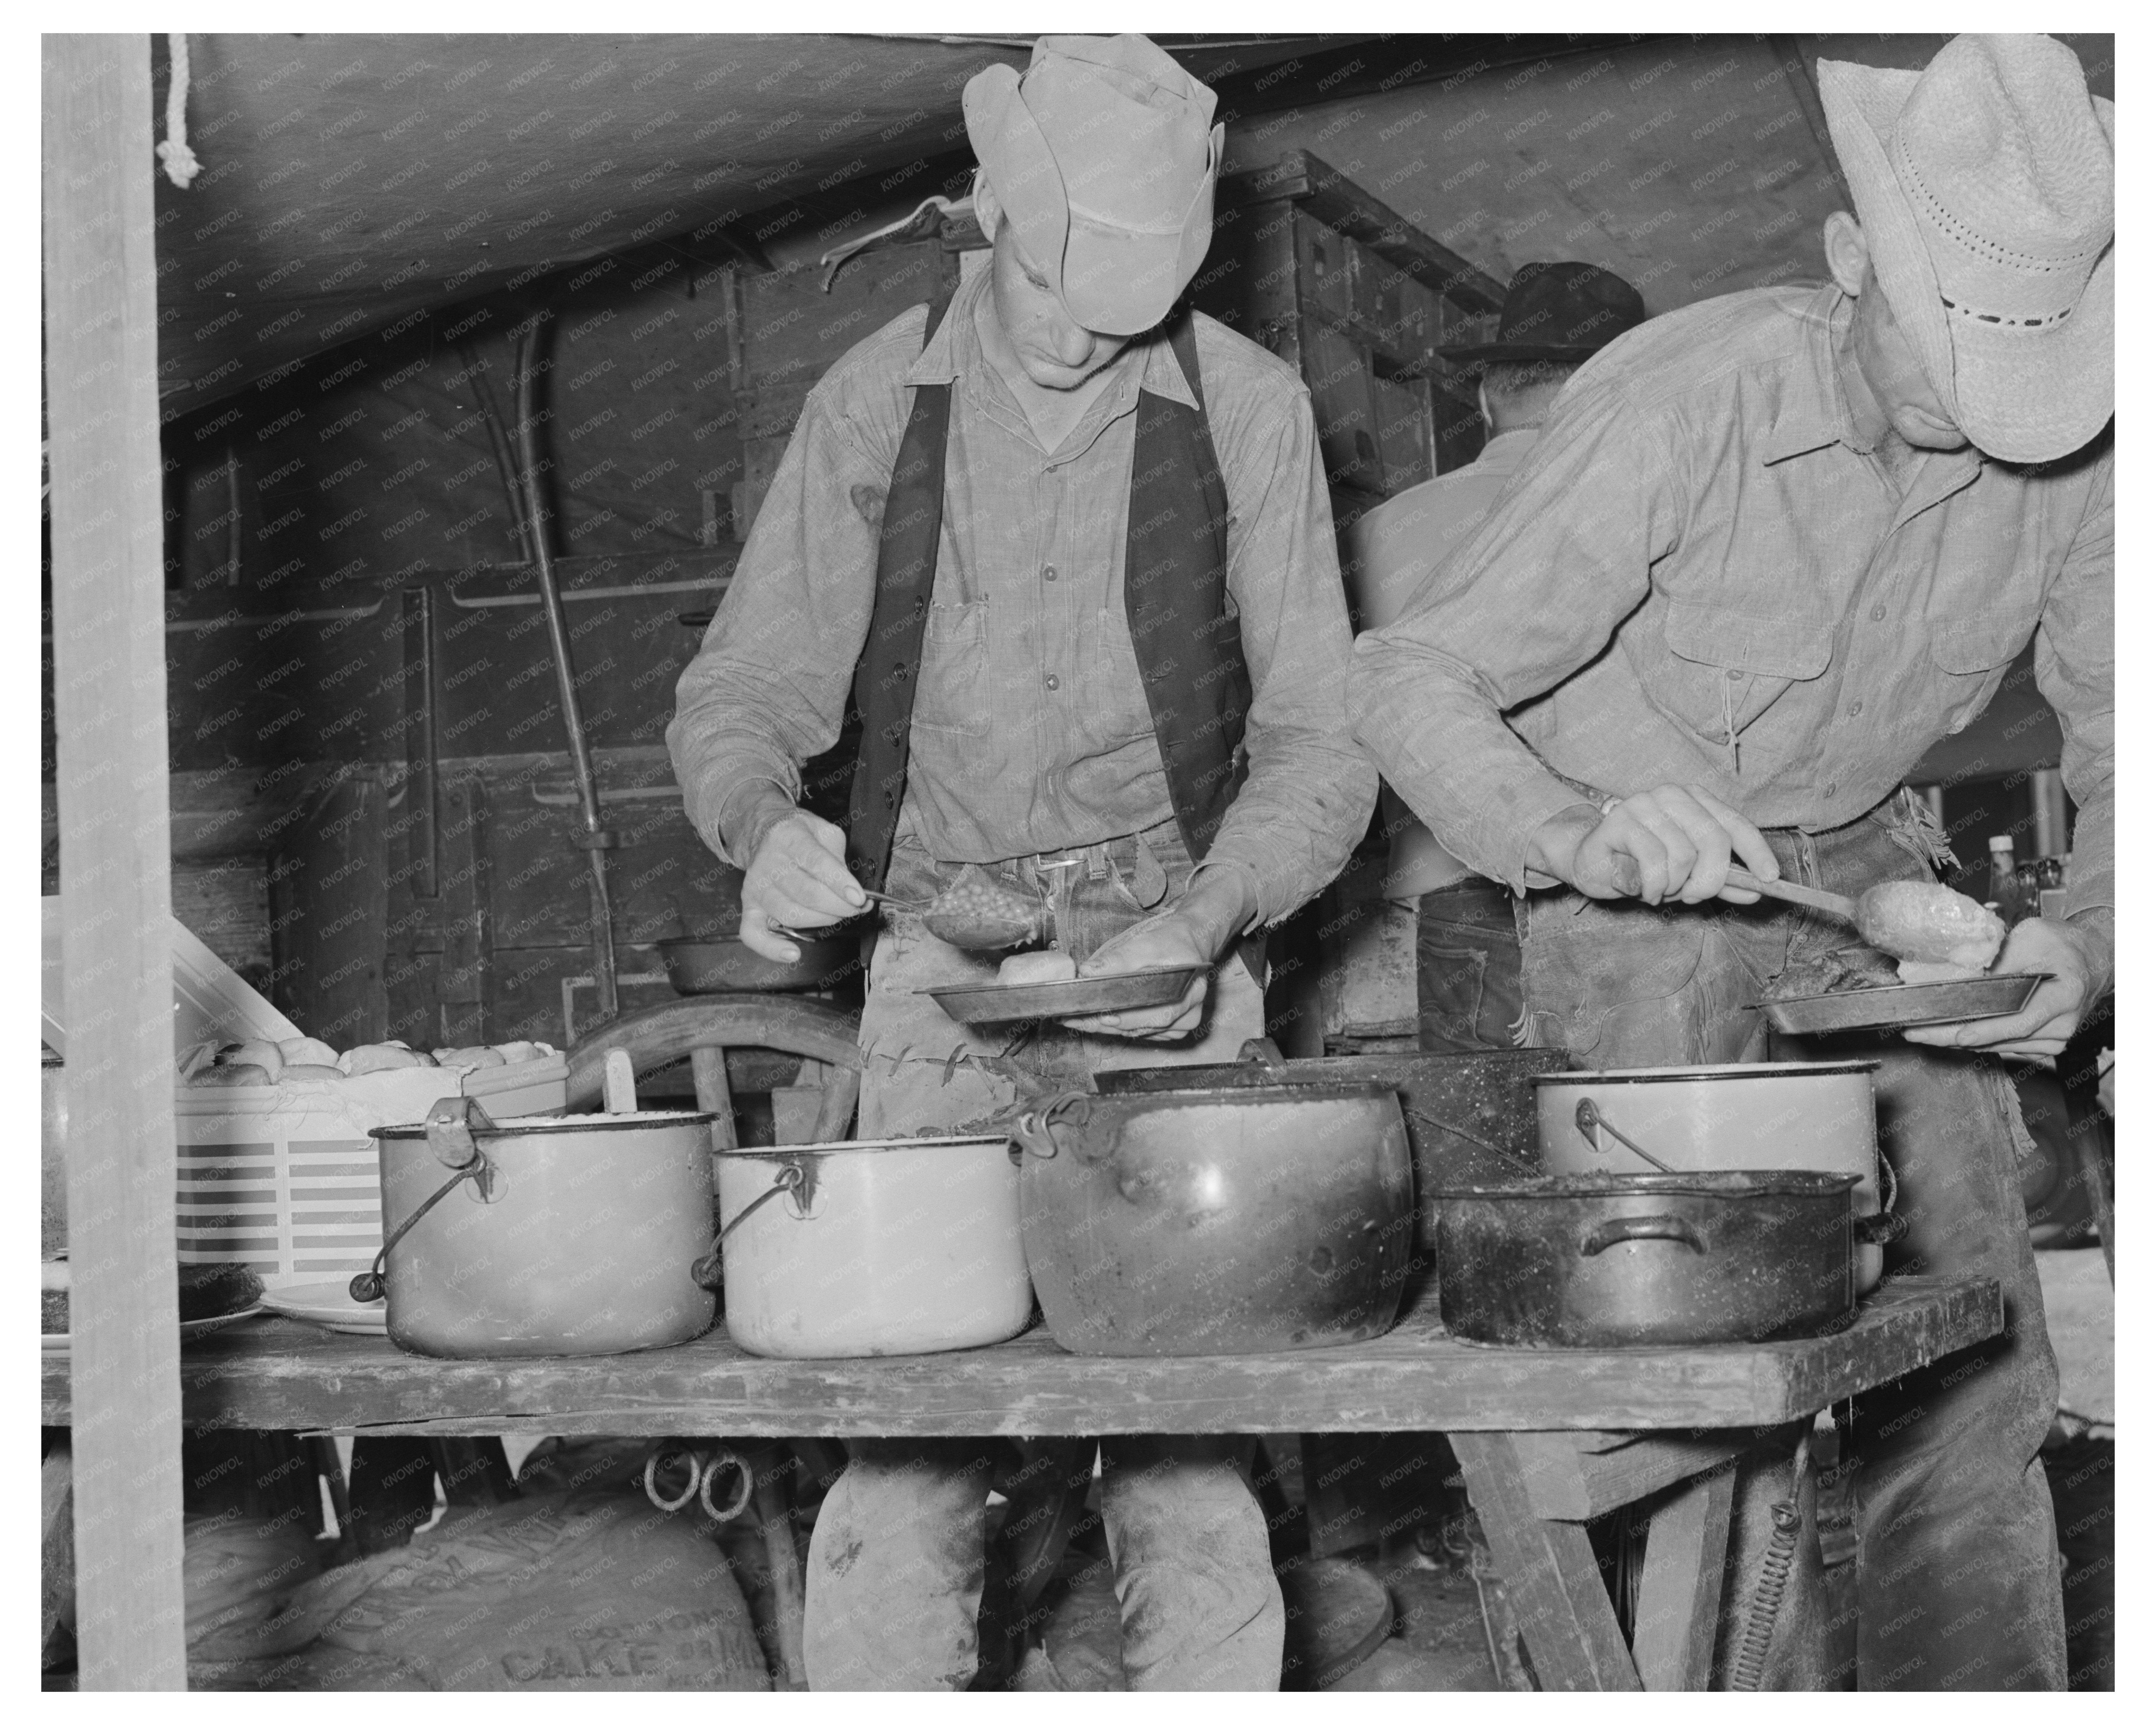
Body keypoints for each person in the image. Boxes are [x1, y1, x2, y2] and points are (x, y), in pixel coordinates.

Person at [1351, 34, 2110, 1691]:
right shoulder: (1680, 399)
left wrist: (2081, 938)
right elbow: (1406, 674)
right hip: (1626, 897)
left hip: (1849, 883)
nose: (1991, 411)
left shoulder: (2079, 436)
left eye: (2030, 362)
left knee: (1967, 1361)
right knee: (1684, 1406)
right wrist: (1570, 828)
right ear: (1848, 263)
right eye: (1948, 353)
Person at [668, 34, 1375, 1690]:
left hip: (1172, 965)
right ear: (988, 209)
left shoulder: (1249, 413)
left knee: (1185, 1461)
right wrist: (759, 821)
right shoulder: (873, 397)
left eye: (1125, 305)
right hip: (941, 971)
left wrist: (1207, 920)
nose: (1080, 340)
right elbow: (749, 687)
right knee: (901, 1453)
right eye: (1054, 287)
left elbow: (1322, 741)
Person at [1345, 262, 1645, 1054]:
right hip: (1623, 897)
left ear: (1483, 398)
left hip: (1431, 906)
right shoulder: (1650, 517)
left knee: (1476, 1157)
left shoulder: (1371, 534)